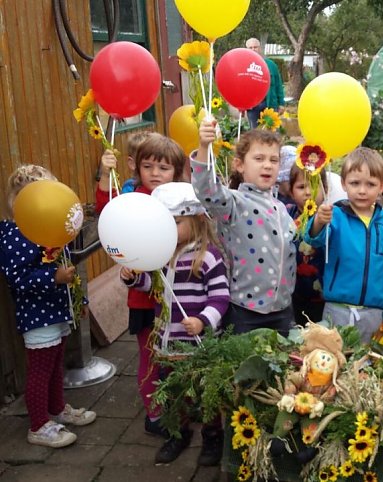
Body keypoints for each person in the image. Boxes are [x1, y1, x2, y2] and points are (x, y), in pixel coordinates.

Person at [122, 182, 230, 465]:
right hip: (168, 341)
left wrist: (203, 320)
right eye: (164, 223)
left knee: (207, 392)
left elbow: (220, 297)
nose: (169, 229)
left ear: (195, 220)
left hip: (198, 343)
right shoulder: (162, 256)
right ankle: (177, 433)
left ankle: (212, 437)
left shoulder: (208, 257)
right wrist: (134, 278)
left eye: (176, 222)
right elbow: (153, 286)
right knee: (173, 389)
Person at [96, 134, 186, 437]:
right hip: (144, 301)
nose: (156, 174)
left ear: (176, 170)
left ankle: (179, 405)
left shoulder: (181, 200)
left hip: (178, 298)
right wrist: (103, 178)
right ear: (138, 169)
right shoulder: (133, 200)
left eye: (164, 168)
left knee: (176, 355)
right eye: (148, 166)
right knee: (150, 358)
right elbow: (108, 212)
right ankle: (155, 413)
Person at [1, 165, 97, 448]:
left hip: (58, 310)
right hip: (37, 316)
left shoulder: (52, 229)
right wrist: (53, 277)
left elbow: (68, 267)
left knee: (56, 366)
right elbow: (17, 277)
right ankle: (38, 425)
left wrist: (80, 301)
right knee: (41, 370)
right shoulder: (16, 234)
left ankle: (57, 410)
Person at [194, 120, 298, 336]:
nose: (267, 165)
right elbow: (206, 190)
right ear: (240, 165)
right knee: (245, 367)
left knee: (283, 367)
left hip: (282, 309)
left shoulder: (282, 209)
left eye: (273, 160)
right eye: (259, 159)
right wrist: (204, 147)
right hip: (245, 310)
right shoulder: (234, 203)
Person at [306, 148, 383, 343]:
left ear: (381, 186)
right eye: (355, 183)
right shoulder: (334, 215)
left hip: (375, 312)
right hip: (336, 309)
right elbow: (314, 239)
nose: (362, 190)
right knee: (331, 362)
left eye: (370, 184)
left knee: (369, 365)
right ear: (344, 183)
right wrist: (319, 221)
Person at [281, 164, 328, 325]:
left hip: (324, 296)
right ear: (291, 191)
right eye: (301, 187)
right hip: (292, 294)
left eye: (314, 186)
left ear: (325, 189)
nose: (308, 192)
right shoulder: (286, 213)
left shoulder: (329, 217)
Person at [245, 38, 286, 128]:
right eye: (250, 47)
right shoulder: (243, 66)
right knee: (255, 134)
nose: (253, 49)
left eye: (255, 47)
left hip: (270, 104)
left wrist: (281, 104)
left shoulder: (271, 65)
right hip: (252, 107)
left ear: (260, 48)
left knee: (271, 133)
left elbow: (278, 85)